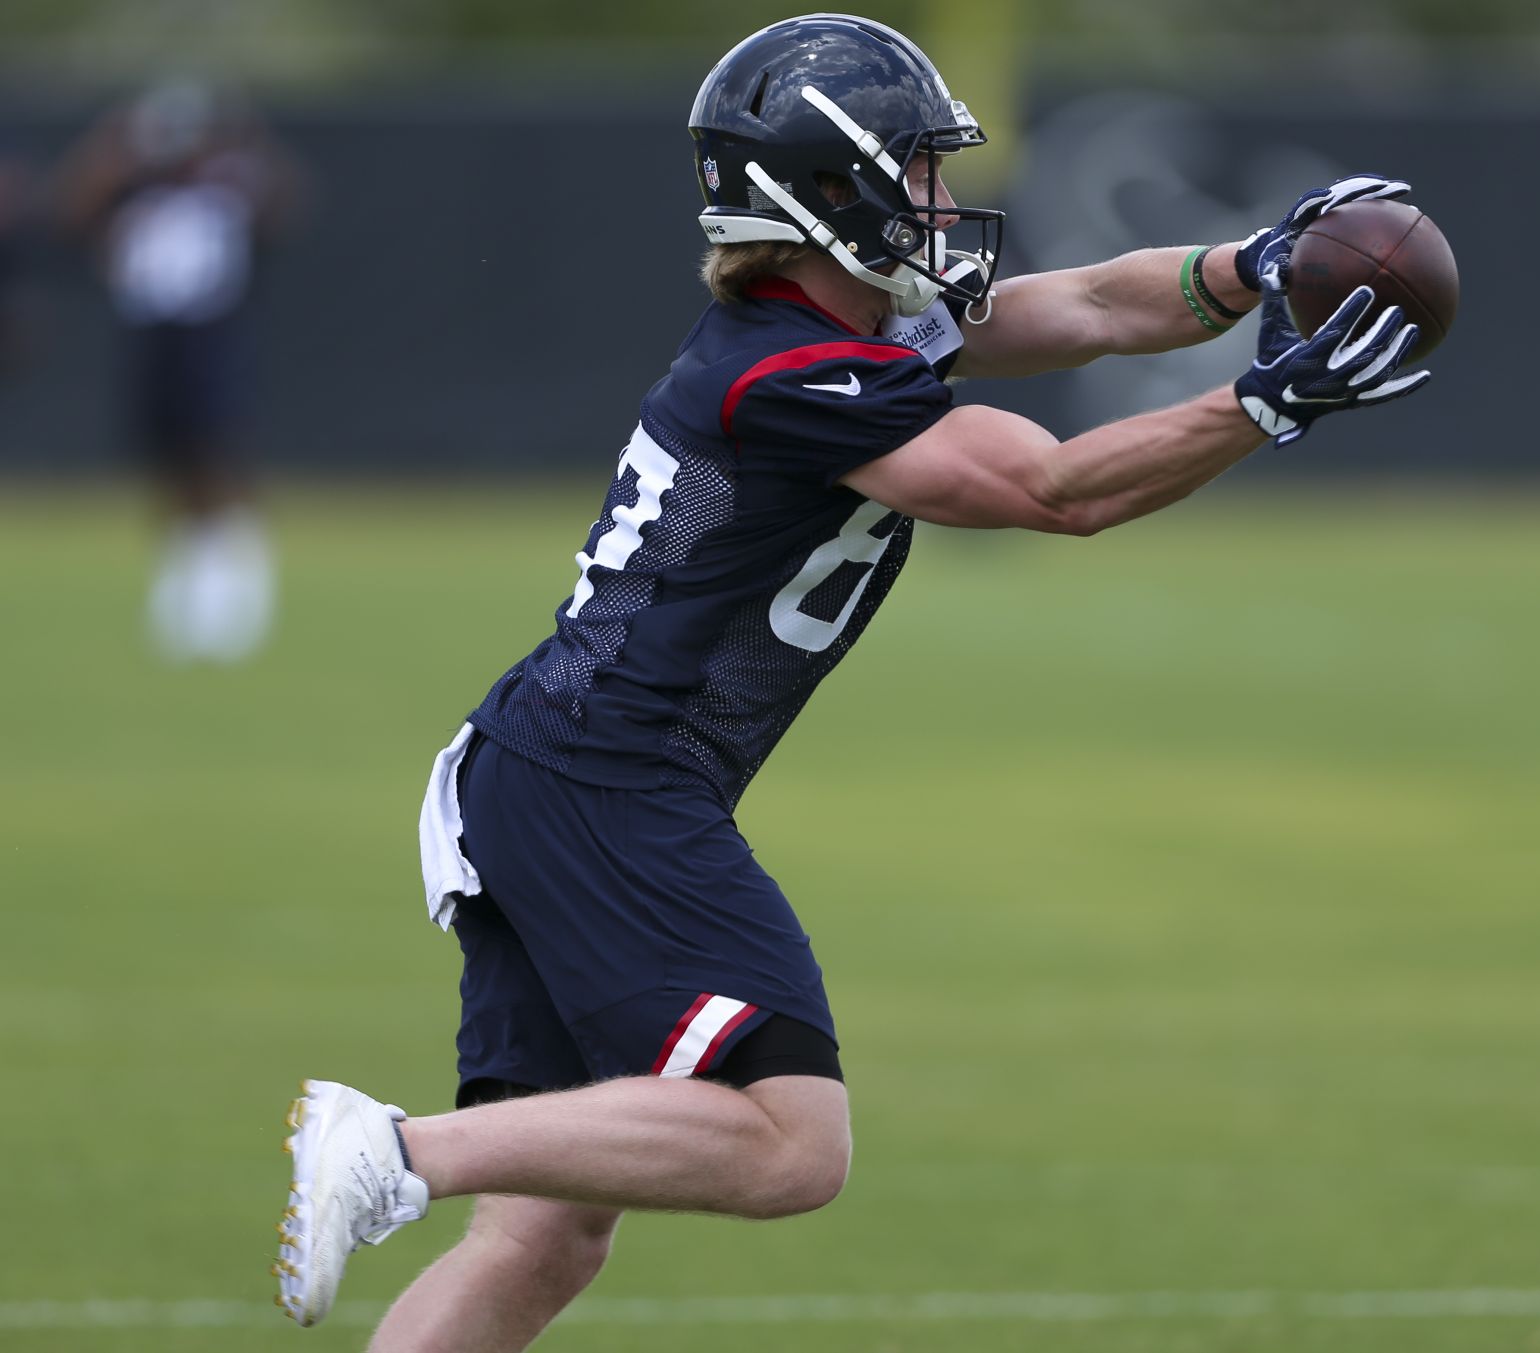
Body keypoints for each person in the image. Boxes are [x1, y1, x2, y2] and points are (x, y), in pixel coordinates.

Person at [272, 13, 1430, 1346]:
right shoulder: (792, 368)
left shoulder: (847, 316)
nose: (942, 198)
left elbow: (1096, 305)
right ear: (824, 190)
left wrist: (1251, 265)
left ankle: (403, 1159)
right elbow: (1049, 490)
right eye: (918, 170)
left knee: (545, 1230)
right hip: (610, 777)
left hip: (547, 764)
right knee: (788, 1144)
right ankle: (395, 1151)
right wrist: (1264, 406)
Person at [55, 80, 301, 662]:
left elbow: (283, 203)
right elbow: (71, 212)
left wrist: (247, 137)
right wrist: (112, 143)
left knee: (215, 452)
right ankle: (185, 574)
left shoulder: (225, 187)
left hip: (209, 336)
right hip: (152, 337)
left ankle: (235, 579)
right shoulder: (130, 195)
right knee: (165, 460)